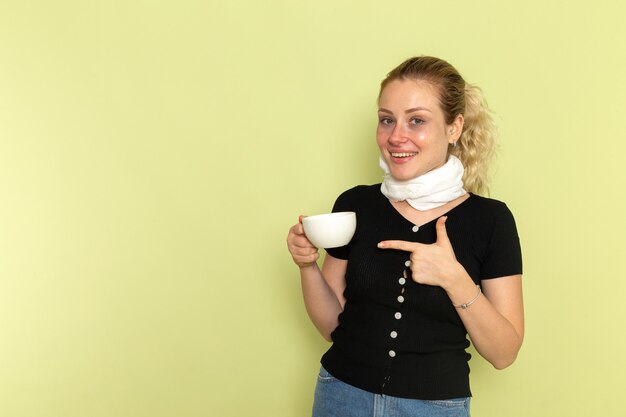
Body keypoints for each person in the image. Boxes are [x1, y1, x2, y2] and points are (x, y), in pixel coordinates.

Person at [286, 56, 523, 417]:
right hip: (340, 396)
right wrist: (307, 266)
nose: (396, 136)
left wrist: (454, 279)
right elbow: (333, 325)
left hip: (434, 407)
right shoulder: (355, 205)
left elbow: (504, 353)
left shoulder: (491, 220)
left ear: (454, 127)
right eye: (386, 120)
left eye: (417, 120)